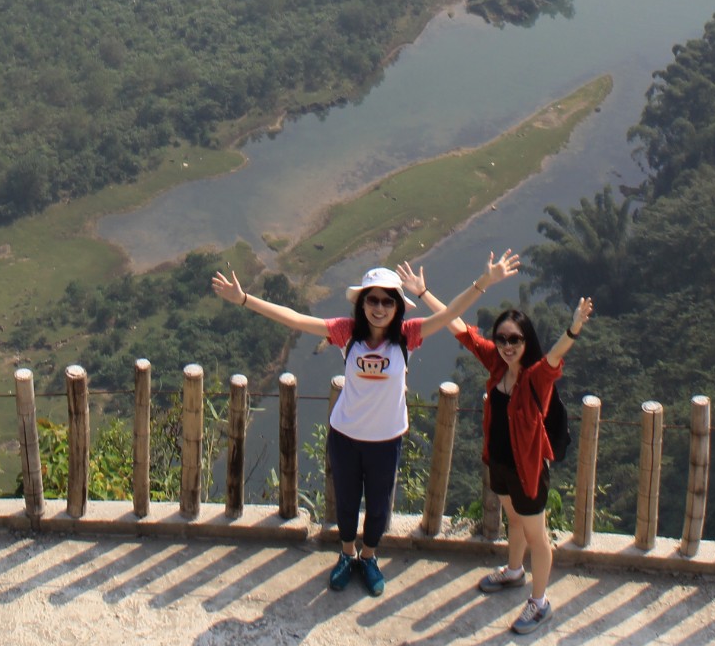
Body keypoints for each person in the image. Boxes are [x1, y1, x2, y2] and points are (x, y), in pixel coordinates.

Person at [212, 250, 520, 595]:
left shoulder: (408, 336)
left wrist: (484, 282)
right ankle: (346, 555)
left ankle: (369, 557)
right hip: (345, 435)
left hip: (387, 440)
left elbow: (451, 314)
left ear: (397, 306)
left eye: (387, 301)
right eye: (372, 300)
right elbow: (295, 320)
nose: (379, 307)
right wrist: (243, 299)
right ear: (361, 303)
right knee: (345, 502)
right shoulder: (347, 332)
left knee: (377, 507)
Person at [408, 266, 594, 637]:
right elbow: (459, 329)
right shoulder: (497, 362)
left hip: (528, 472)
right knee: (514, 520)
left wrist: (573, 328)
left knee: (538, 537)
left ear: (527, 342)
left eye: (515, 340)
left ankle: (540, 603)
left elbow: (556, 356)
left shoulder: (536, 377)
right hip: (500, 463)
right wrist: (424, 292)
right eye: (503, 339)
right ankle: (513, 571)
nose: (508, 346)